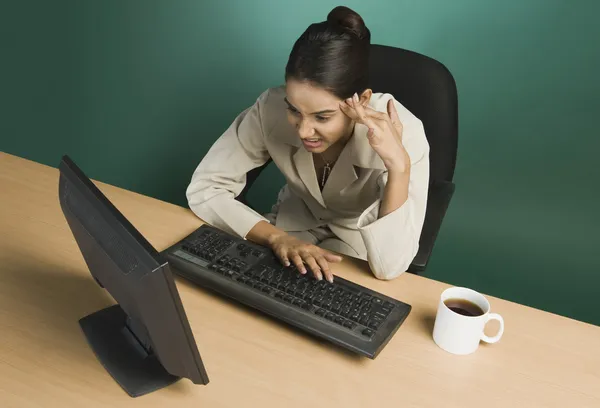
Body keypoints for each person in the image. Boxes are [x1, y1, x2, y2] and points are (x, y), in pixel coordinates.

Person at [186, 6, 430, 282]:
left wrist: (398, 167)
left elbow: (390, 267)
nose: (303, 130)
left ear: (361, 100)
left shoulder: (405, 131)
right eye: (294, 110)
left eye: (322, 117)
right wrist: (276, 237)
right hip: (290, 228)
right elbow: (205, 189)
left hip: (357, 249)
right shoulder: (271, 107)